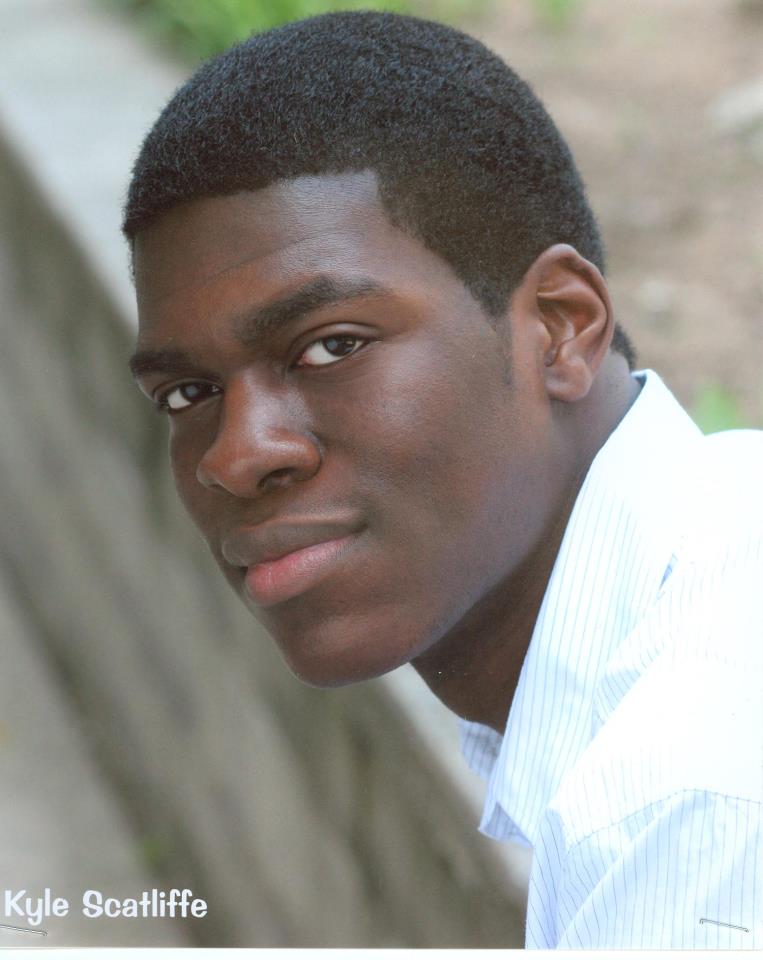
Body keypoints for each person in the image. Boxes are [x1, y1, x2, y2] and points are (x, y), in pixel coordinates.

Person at [124, 11, 762, 949]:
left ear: (557, 328)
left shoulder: (688, 799)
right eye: (188, 394)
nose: (234, 455)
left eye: (331, 346)